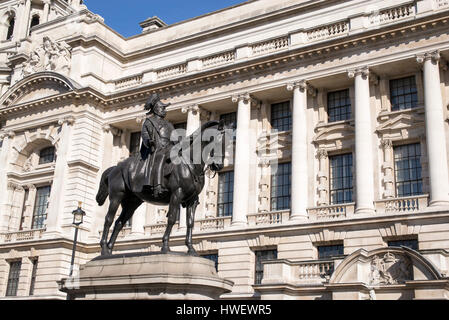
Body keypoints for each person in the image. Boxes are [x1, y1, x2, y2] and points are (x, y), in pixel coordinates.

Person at [139, 93, 175, 197]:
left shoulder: (169, 124)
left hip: (169, 146)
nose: (165, 110)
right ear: (156, 109)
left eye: (165, 108)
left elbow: (176, 137)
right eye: (162, 108)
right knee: (162, 156)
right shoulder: (149, 122)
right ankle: (157, 186)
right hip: (157, 148)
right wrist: (149, 141)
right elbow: (145, 134)